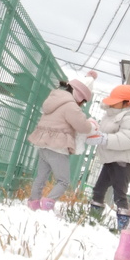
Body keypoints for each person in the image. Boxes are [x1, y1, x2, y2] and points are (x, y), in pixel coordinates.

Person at [25, 72, 97, 210]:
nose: (81, 104)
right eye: (83, 101)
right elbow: (83, 126)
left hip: (43, 146)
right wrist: (92, 125)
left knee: (41, 177)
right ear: (79, 95)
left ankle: (33, 203)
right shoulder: (70, 106)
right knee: (63, 181)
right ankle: (47, 205)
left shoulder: (54, 99)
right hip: (57, 147)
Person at [84, 83, 130, 228]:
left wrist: (105, 139)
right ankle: (93, 219)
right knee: (99, 189)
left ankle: (123, 226)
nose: (112, 104)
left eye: (116, 101)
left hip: (124, 162)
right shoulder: (111, 115)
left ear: (127, 103)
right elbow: (104, 130)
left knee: (119, 194)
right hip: (111, 159)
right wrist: (94, 133)